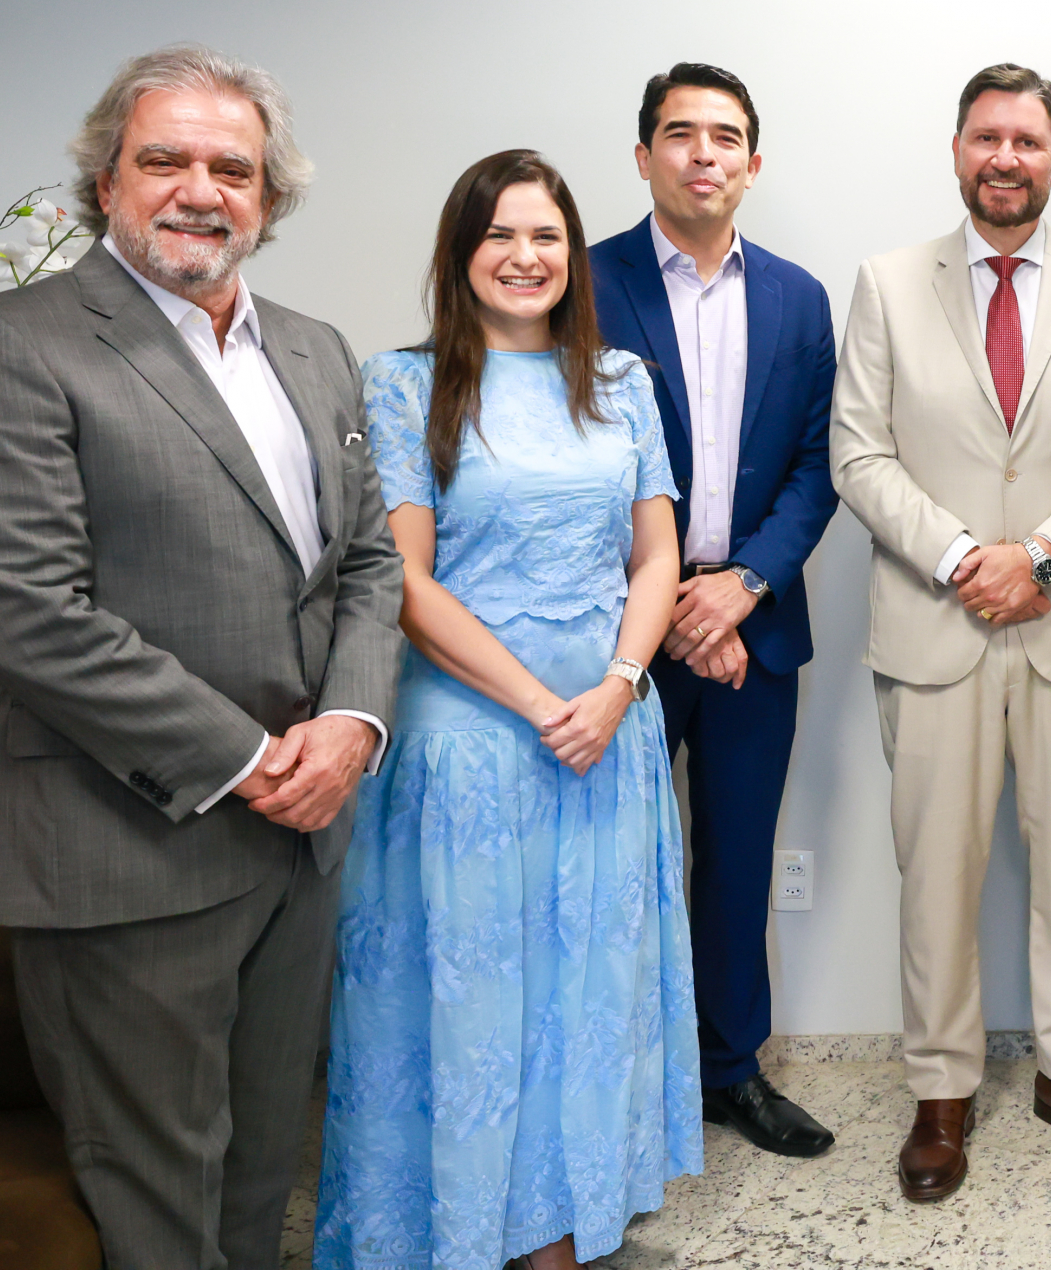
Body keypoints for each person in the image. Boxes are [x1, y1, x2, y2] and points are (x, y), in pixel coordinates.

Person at [0, 46, 403, 1270]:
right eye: (163, 159)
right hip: (128, 847)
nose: (199, 189)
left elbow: (367, 564)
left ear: (269, 197)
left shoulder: (315, 349)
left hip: (301, 843)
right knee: (157, 1198)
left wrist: (350, 727)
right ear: (106, 182)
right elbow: (25, 611)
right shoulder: (0, 345)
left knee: (262, 1166)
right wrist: (253, 760)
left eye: (232, 168)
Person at [314, 150, 700, 1270]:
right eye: (499, 236)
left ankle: (561, 1222)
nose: (525, 257)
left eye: (545, 236)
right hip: (470, 743)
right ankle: (460, 1224)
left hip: (608, 733)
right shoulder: (402, 383)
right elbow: (404, 580)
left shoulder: (620, 381)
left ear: (572, 254)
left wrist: (617, 688)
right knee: (477, 996)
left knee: (587, 989)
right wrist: (542, 705)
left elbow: (657, 554)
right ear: (460, 253)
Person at [829, 63, 1051, 1201]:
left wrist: (1047, 561)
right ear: (958, 151)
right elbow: (858, 452)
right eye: (987, 137)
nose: (1005, 158)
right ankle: (941, 1087)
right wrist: (966, 558)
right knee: (936, 870)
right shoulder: (887, 283)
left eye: (1027, 140)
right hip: (937, 621)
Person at [590, 63, 840, 1157]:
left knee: (737, 863)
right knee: (609, 870)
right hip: (612, 634)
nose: (704, 153)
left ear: (753, 161)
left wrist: (740, 588)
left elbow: (818, 463)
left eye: (725, 135)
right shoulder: (579, 282)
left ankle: (730, 1070)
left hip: (755, 624)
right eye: (680, 132)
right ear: (644, 154)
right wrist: (670, 608)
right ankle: (611, 1082)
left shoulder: (798, 296)